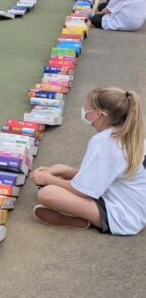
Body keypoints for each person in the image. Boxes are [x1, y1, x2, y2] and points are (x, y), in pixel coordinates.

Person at [31, 88, 146, 235]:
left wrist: (47, 179)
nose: (84, 110)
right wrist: (67, 172)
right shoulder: (129, 136)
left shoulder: (104, 143)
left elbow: (82, 192)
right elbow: (106, 174)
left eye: (87, 107)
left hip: (121, 217)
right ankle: (80, 213)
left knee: (47, 193)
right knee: (61, 170)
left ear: (98, 113)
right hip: (133, 208)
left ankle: (83, 219)